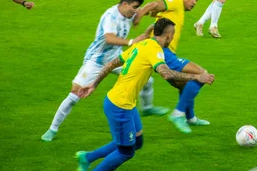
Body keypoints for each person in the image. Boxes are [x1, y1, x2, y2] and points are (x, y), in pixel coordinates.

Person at [74, 18, 215, 171]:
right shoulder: (155, 50)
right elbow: (166, 74)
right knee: (126, 151)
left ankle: (87, 157)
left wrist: (94, 84)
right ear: (168, 35)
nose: (172, 38)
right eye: (172, 35)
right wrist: (197, 77)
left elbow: (111, 63)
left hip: (125, 102)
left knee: (137, 141)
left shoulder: (141, 44)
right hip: (119, 106)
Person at [40, 0, 169, 142]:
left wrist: (141, 15)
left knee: (147, 80)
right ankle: (52, 129)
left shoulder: (128, 12)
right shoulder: (111, 17)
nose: (135, 11)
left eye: (136, 8)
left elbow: (142, 12)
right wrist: (132, 42)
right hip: (97, 60)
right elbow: (109, 38)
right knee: (75, 93)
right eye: (133, 7)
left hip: (116, 57)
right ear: (124, 4)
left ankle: (147, 108)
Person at [135, 0, 209, 134]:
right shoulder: (176, 2)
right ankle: (178, 114)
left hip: (163, 52)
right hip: (163, 51)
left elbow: (155, 10)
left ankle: (190, 118)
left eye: (197, 0)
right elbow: (155, 4)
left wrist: (147, 13)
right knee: (202, 75)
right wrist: (140, 14)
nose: (194, 2)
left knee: (184, 84)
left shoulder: (176, 10)